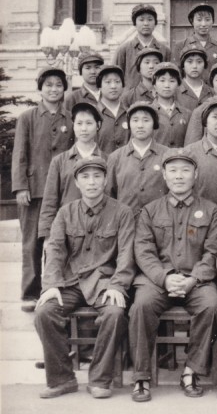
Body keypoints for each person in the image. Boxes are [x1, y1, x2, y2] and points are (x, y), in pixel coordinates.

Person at [34, 156, 134, 399]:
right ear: (77, 183)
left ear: (105, 180)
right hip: (71, 282)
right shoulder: (65, 212)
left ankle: (99, 379)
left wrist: (118, 285)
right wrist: (51, 285)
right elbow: (55, 250)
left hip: (104, 283)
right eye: (85, 177)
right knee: (45, 312)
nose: (91, 182)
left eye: (97, 176)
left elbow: (126, 254)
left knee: (115, 313)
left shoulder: (122, 212)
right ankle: (62, 379)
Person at [129, 151, 217, 402]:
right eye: (173, 170)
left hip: (196, 280)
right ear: (164, 175)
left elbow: (213, 252)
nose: (179, 176)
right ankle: (141, 377)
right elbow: (143, 251)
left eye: (185, 170)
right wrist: (165, 278)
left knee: (211, 305)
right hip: (158, 281)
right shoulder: (149, 211)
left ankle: (191, 371)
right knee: (141, 306)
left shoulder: (211, 210)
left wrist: (194, 279)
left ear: (196, 174)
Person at [11, 68, 74, 311]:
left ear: (64, 88)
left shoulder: (70, 118)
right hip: (34, 190)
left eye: (58, 85)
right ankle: (30, 292)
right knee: (31, 244)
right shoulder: (27, 117)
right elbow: (20, 153)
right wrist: (20, 187)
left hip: (62, 190)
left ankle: (54, 288)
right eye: (48, 85)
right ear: (40, 88)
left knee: (59, 241)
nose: (53, 89)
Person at [39, 102, 105, 239]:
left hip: (101, 231)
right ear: (73, 126)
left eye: (89, 123)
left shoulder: (108, 160)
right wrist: (47, 237)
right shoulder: (59, 161)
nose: (84, 128)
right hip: (69, 230)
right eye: (79, 123)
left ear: (98, 125)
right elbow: (49, 202)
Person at [106, 102, 169, 219]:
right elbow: (109, 195)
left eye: (146, 120)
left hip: (159, 222)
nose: (140, 125)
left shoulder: (166, 154)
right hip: (126, 223)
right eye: (135, 120)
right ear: (129, 124)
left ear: (154, 123)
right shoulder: (116, 157)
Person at [114, 4, 171, 89]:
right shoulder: (123, 50)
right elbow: (115, 78)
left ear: (155, 23)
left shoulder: (164, 50)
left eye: (150, 19)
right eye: (141, 20)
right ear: (135, 23)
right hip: (131, 96)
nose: (146, 23)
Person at [172, 2, 217, 80]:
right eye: (199, 20)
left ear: (212, 22)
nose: (203, 24)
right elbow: (176, 75)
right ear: (192, 22)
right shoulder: (181, 46)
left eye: (207, 20)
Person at [150, 62, 191, 148]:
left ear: (178, 85)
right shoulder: (148, 112)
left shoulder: (187, 114)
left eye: (172, 81)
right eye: (162, 80)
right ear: (154, 85)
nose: (167, 85)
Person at [96, 65, 129, 155]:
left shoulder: (130, 113)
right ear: (99, 86)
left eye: (117, 82)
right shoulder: (93, 113)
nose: (113, 86)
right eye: (108, 82)